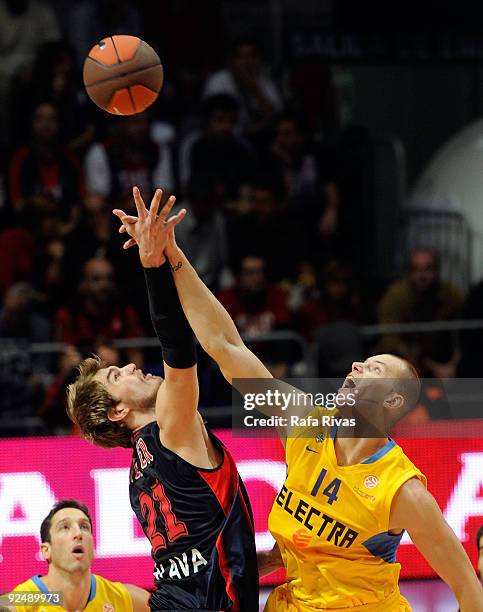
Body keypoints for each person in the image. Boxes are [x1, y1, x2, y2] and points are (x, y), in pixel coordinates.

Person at [115, 191, 483, 611]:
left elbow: (467, 586)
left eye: (376, 368)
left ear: (394, 400)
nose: (359, 365)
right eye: (364, 361)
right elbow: (223, 345)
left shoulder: (402, 491)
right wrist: (173, 256)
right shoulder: (306, 421)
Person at [66, 188, 258, 611]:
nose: (133, 367)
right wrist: (153, 263)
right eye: (118, 376)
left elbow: (193, 555)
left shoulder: (139, 471)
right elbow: (178, 345)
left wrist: (259, 558)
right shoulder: (170, 429)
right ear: (118, 410)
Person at [10, 499, 149, 611]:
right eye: (65, 527)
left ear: (93, 550)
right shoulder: (24, 599)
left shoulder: (121, 598)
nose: (78, 534)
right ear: (46, 550)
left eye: (84, 527)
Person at [377, 248, 464, 378]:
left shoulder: (451, 296)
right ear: (409, 273)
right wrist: (432, 366)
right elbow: (391, 340)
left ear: (437, 271)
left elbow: (465, 331)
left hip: (443, 358)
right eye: (416, 269)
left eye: (428, 269)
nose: (422, 276)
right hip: (407, 362)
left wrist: (454, 364)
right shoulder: (395, 297)